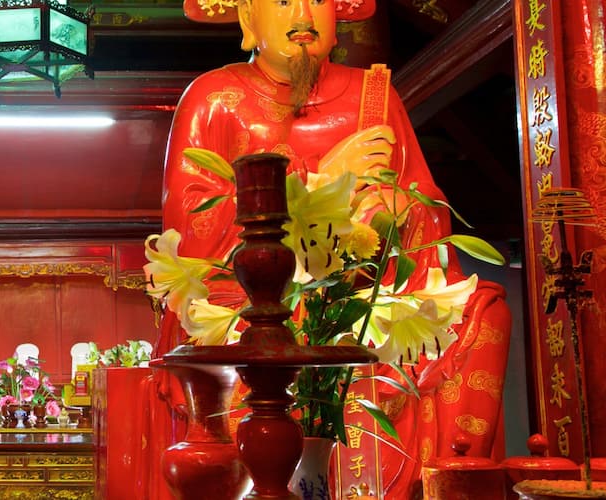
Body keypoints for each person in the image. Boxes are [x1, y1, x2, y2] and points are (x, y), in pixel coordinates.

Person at [161, 0, 511, 497]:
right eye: (283, 0)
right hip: (253, 301)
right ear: (246, 20)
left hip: (363, 291)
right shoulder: (214, 97)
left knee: (486, 312)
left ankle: (441, 483)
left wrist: (393, 212)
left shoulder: (375, 95)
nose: (303, 12)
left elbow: (426, 206)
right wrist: (321, 177)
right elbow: (189, 224)